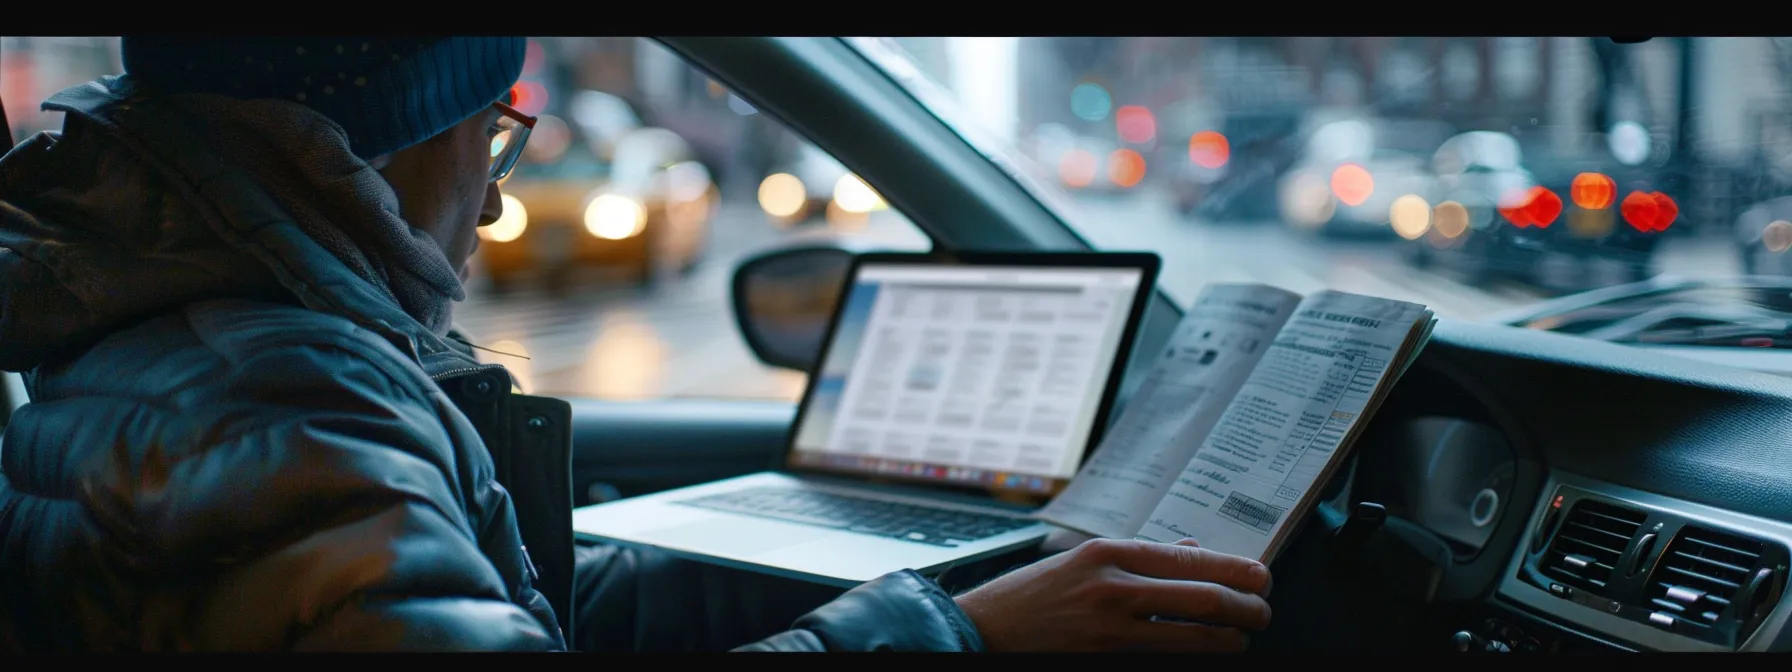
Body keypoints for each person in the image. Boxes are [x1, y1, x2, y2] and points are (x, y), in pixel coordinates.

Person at [0, 36, 1273, 652]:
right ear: (366, 149)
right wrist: (965, 641)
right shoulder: (283, 407)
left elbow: (504, 613)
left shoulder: (236, 353)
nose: (494, 199)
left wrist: (912, 585)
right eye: (492, 137)